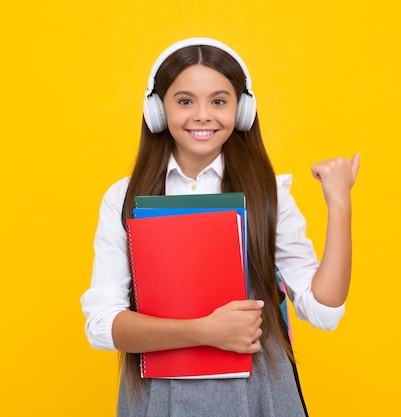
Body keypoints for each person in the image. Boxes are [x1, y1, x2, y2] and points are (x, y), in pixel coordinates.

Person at [80, 37, 360, 416]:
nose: (202, 115)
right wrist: (205, 331)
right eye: (184, 101)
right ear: (157, 111)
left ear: (242, 110)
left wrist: (339, 203)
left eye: (218, 101)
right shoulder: (124, 197)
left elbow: (323, 311)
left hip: (259, 395)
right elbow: (102, 326)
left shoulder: (269, 193)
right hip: (161, 396)